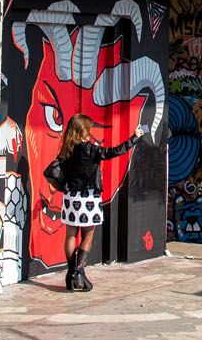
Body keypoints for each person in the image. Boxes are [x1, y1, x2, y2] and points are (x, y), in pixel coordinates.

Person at [46, 113, 143, 291]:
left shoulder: (66, 149)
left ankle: (70, 272)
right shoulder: (90, 149)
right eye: (88, 129)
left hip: (70, 197)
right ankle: (79, 271)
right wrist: (134, 138)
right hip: (88, 197)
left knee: (70, 235)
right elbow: (115, 151)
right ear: (84, 130)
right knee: (88, 234)